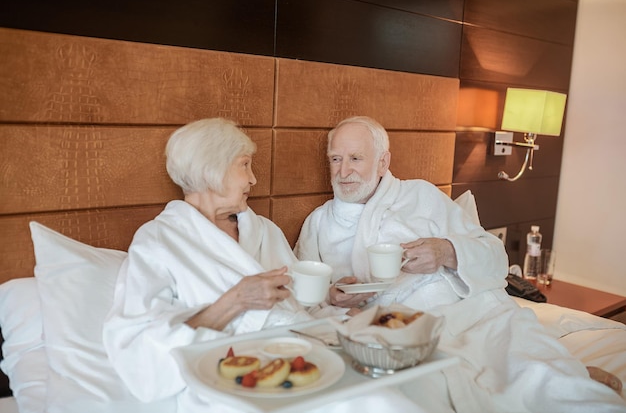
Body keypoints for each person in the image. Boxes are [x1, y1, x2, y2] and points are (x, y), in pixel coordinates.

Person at [295, 116, 626, 413]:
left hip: (475, 313)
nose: (343, 171)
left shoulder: (421, 196)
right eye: (335, 159)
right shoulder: (319, 224)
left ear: (383, 162)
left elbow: (496, 258)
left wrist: (447, 251)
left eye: (355, 159)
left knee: (540, 373)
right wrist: (334, 299)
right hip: (401, 332)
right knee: (426, 390)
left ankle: (561, 377)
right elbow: (301, 301)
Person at [102, 118, 314, 410]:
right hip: (229, 380)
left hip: (306, 359)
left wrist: (334, 297)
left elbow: (304, 302)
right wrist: (235, 302)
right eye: (244, 165)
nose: (253, 179)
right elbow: (141, 350)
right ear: (210, 170)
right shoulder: (159, 242)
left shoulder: (263, 230)